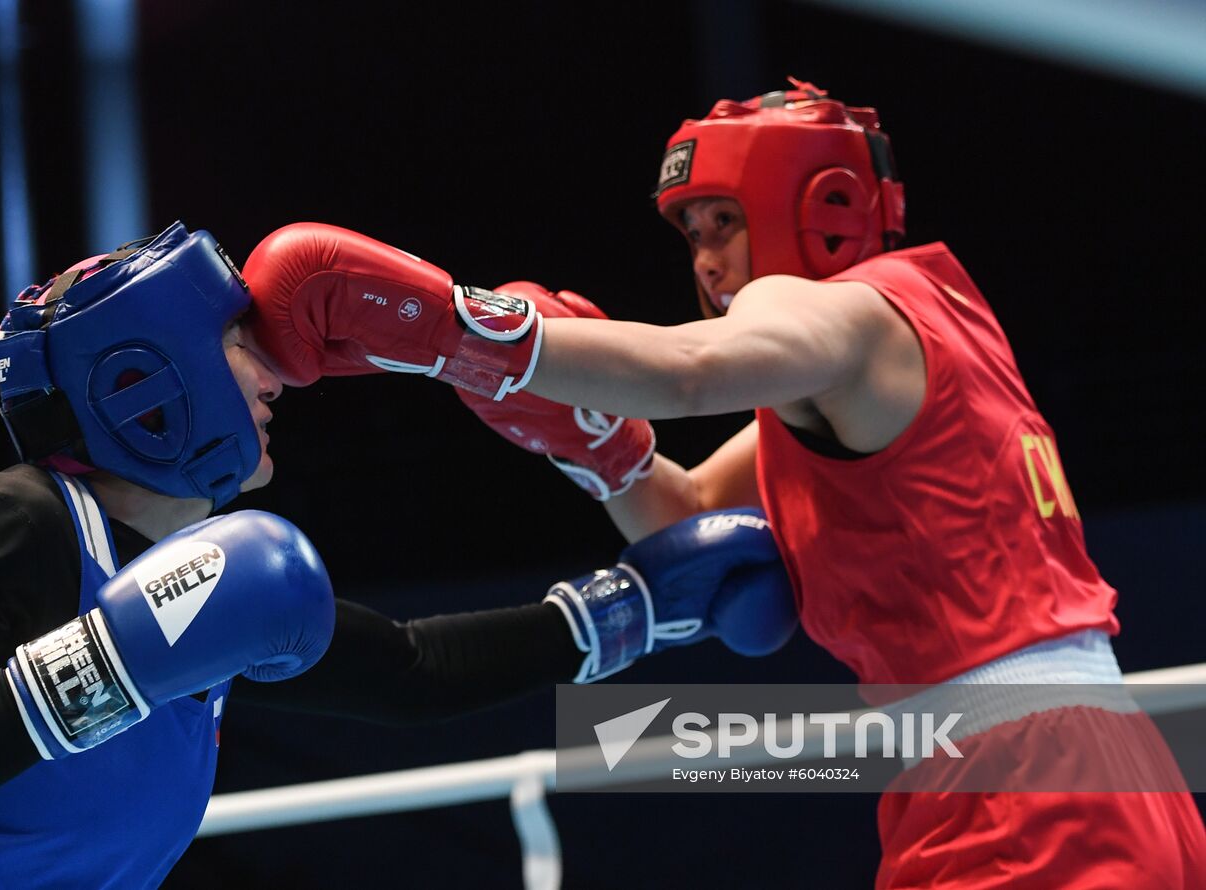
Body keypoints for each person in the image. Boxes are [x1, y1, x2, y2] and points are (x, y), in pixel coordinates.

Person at [239, 81, 1206, 887]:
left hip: (1019, 777)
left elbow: (689, 370)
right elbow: (693, 521)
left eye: (726, 222)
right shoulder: (915, 339)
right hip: (1078, 768)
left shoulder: (847, 314)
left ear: (819, 206)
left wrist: (461, 333)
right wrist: (596, 449)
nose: (706, 259)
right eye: (693, 230)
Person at [0, 222, 794, 889]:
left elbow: (409, 671)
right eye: (242, 340)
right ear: (147, 379)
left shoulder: (200, 570)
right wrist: (113, 663)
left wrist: (633, 606)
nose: (282, 364)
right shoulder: (18, 519)